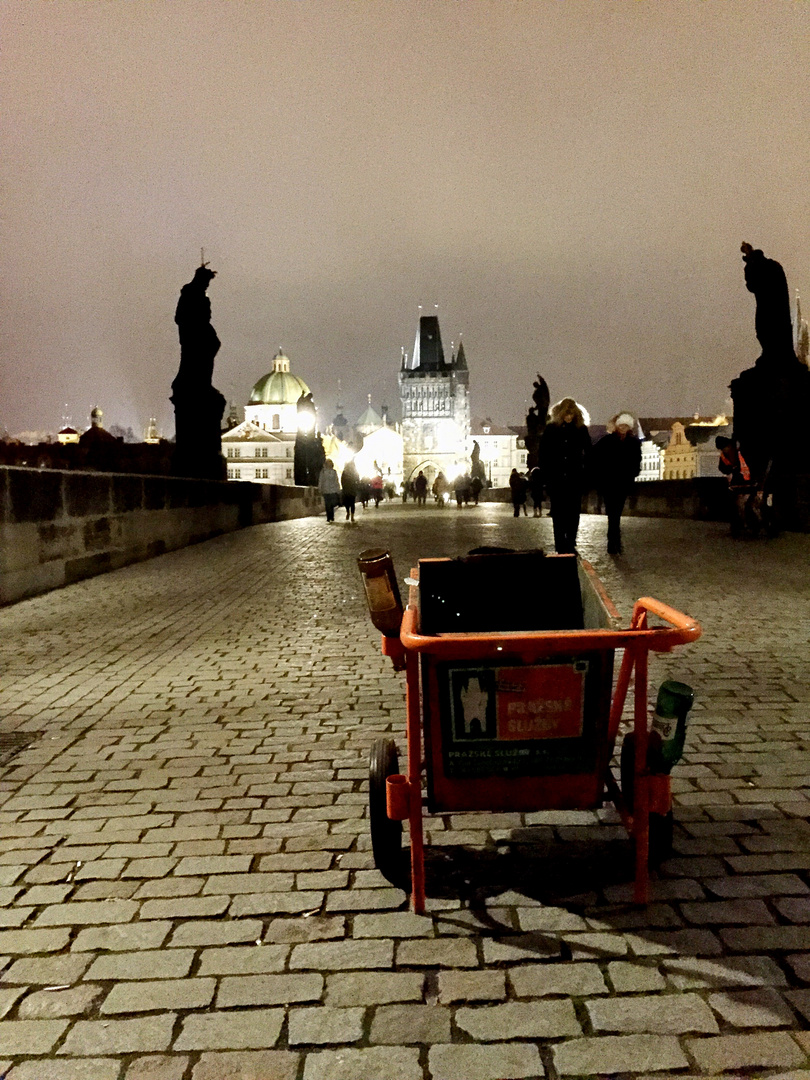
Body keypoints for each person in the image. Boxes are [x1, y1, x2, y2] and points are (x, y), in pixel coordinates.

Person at [540, 398, 592, 553]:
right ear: (560, 414)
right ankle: (560, 544)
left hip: (575, 478)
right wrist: (546, 477)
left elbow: (589, 453)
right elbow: (543, 455)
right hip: (556, 478)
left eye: (571, 414)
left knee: (573, 513)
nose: (569, 417)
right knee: (558, 514)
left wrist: (586, 474)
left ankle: (570, 542)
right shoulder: (551, 430)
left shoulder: (581, 430)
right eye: (566, 414)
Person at [593, 413, 642, 555]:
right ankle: (614, 541)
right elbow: (595, 457)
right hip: (609, 482)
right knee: (612, 513)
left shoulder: (633, 443)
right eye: (621, 425)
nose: (623, 428)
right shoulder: (607, 440)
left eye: (625, 426)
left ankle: (614, 539)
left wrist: (633, 473)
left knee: (616, 512)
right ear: (617, 426)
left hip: (623, 482)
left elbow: (636, 461)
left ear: (629, 427)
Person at [318, 458, 341, 523]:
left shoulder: (334, 472)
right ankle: (329, 517)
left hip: (332, 490)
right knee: (327, 504)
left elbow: (336, 481)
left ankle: (331, 516)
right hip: (326, 490)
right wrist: (320, 488)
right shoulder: (323, 471)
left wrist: (338, 489)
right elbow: (321, 480)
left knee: (331, 504)